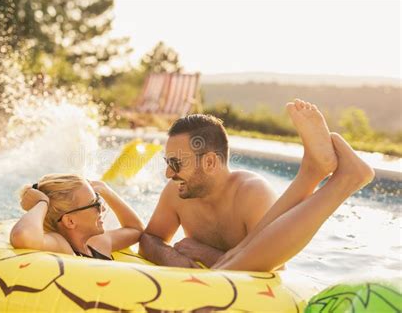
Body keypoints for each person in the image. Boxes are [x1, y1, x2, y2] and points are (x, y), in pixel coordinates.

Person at [139, 99, 375, 271]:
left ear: (210, 162)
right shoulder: (177, 193)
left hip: (246, 290)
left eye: (176, 163)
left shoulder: (251, 192)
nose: (169, 173)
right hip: (220, 280)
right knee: (237, 257)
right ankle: (311, 172)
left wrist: (208, 255)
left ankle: (326, 175)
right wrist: (170, 256)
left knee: (237, 259)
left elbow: (273, 262)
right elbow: (149, 239)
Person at [10, 174, 144, 260]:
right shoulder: (62, 246)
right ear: (70, 221)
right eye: (95, 204)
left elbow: (136, 230)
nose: (102, 207)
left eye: (99, 199)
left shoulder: (97, 243)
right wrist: (42, 202)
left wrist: (106, 191)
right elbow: (22, 236)